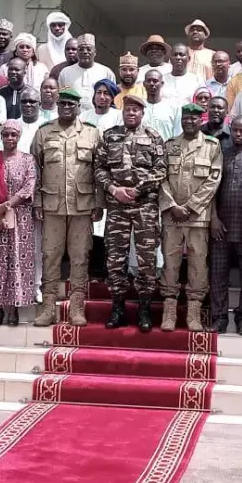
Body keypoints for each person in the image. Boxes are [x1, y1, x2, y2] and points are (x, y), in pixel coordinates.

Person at [31, 88, 103, 326]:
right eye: (62, 104)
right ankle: (48, 307)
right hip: (52, 205)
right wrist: (37, 202)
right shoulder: (44, 133)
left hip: (82, 206)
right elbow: (35, 171)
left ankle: (76, 307)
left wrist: (99, 203)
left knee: (80, 257)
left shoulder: (91, 133)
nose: (66, 108)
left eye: (71, 105)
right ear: (57, 105)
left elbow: (99, 171)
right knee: (50, 255)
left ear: (78, 107)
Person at [96, 94, 167, 333]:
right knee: (115, 259)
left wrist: (138, 190)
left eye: (136, 110)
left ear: (142, 113)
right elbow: (99, 168)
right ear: (123, 111)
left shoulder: (154, 137)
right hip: (117, 207)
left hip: (145, 206)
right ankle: (118, 308)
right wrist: (114, 189)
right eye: (128, 109)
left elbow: (160, 169)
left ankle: (144, 308)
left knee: (147, 260)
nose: (131, 113)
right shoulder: (109, 136)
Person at [159, 103, 222, 332]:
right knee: (170, 261)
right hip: (172, 216)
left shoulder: (212, 147)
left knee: (198, 263)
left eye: (194, 118)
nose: (189, 122)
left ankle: (194, 311)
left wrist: (191, 206)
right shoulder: (170, 145)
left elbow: (213, 180)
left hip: (198, 217)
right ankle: (169, 309)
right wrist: (173, 206)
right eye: (186, 118)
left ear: (201, 120)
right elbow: (161, 177)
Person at [0, 120, 37, 327]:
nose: (10, 138)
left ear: (19, 137)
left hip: (19, 217)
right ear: (1, 137)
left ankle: (13, 309)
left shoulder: (28, 160)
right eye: (6, 135)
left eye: (13, 134)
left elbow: (29, 186)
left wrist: (6, 206)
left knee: (16, 262)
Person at [209, 116, 242, 335]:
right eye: (236, 130)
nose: (239, 134)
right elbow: (211, 190)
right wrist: (213, 218)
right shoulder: (220, 155)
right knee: (218, 274)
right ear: (230, 130)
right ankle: (219, 318)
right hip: (221, 226)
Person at [58, 33, 115, 110]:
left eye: (89, 49)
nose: (85, 52)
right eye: (81, 49)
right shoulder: (65, 73)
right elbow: (61, 98)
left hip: (99, 117)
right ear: (77, 52)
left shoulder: (106, 72)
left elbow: (112, 99)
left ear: (95, 52)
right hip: (73, 118)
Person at [141, 69, 181, 140]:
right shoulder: (139, 107)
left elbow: (178, 134)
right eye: (148, 81)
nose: (151, 84)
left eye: (155, 81)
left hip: (166, 149)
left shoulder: (173, 107)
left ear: (162, 84)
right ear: (144, 84)